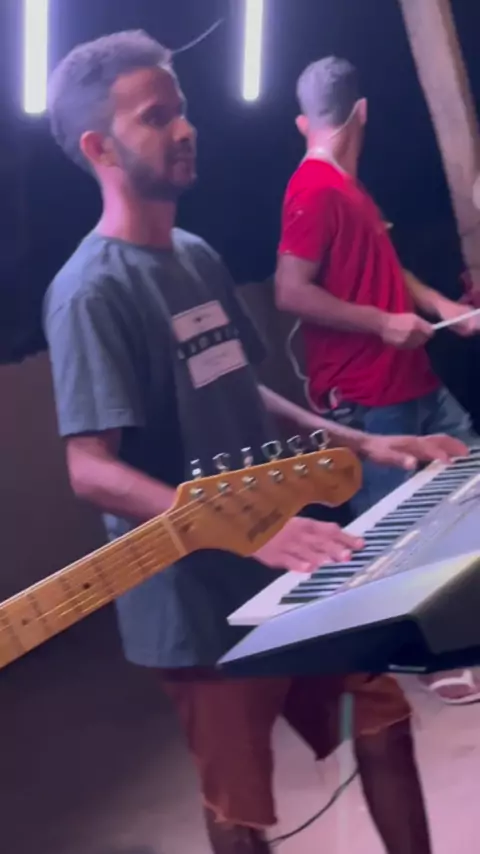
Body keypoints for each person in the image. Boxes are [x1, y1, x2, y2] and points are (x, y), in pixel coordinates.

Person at [43, 32, 465, 853]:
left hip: (284, 562)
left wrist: (371, 445)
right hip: (196, 602)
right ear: (100, 148)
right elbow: (89, 469)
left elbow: (243, 389)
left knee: (381, 717)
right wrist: (244, 529)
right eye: (155, 117)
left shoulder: (195, 257)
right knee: (241, 810)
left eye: (182, 110)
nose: (184, 129)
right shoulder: (91, 291)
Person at [275, 56, 480, 705]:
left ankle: (460, 635)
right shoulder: (312, 188)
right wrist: (381, 322)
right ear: (363, 112)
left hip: (413, 379)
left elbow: (390, 266)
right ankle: (428, 658)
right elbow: (290, 291)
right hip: (366, 396)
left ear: (304, 121)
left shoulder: (352, 192)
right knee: (396, 540)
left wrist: (441, 308)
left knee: (467, 492)